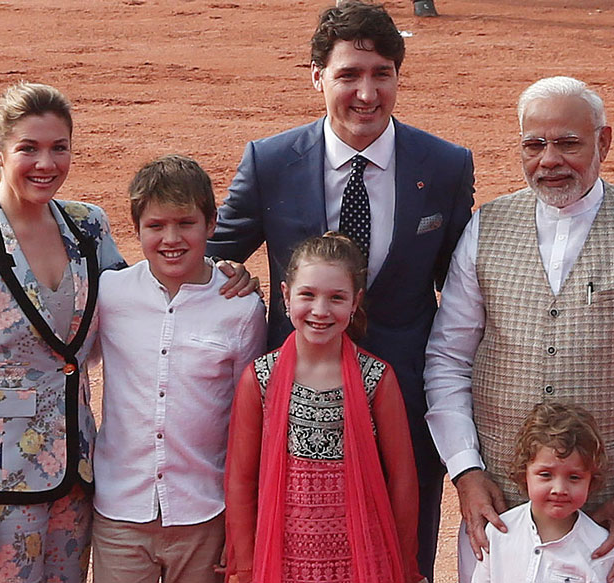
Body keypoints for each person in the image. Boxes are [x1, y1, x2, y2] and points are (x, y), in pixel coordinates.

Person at [207, 3, 474, 577]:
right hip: (300, 403)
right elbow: (213, 253)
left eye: (381, 73)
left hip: (404, 397)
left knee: (404, 551)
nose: (366, 93)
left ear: (398, 76)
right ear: (317, 76)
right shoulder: (271, 161)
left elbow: (461, 288)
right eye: (348, 74)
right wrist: (232, 274)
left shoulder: (446, 165)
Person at [424, 75, 614, 583]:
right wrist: (466, 470)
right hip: (504, 519)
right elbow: (448, 359)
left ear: (603, 142)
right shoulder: (485, 227)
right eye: (534, 145)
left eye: (567, 143)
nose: (549, 160)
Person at [0, 82, 127, 583]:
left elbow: (138, 305)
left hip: (77, 478)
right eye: (28, 149)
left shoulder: (89, 226)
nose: (46, 163)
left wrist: (214, 276)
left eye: (59, 148)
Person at [90, 154, 267, 583]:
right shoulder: (109, 293)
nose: (171, 238)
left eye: (186, 223)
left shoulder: (241, 307)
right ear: (136, 230)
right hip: (119, 514)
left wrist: (241, 521)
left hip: (205, 515)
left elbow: (249, 419)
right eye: (155, 226)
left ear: (211, 224)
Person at [224, 232, 424, 583]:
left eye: (336, 298)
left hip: (363, 557)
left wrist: (404, 564)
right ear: (285, 295)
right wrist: (244, 566)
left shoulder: (376, 379)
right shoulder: (260, 379)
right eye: (307, 295)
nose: (320, 310)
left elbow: (403, 480)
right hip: (282, 556)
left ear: (355, 302)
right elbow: (241, 480)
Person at [471, 402, 614, 583]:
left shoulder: (599, 547)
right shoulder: (499, 533)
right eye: (545, 475)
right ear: (524, 472)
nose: (559, 489)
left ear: (591, 479)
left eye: (574, 477)